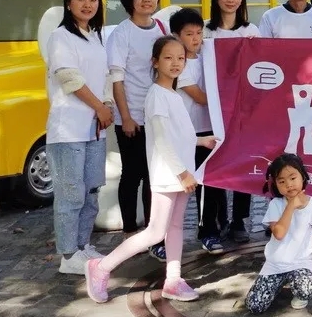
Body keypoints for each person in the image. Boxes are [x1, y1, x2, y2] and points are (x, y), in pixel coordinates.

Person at [85, 36, 216, 303]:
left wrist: (202, 141)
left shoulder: (172, 95)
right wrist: (182, 173)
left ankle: (173, 280)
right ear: (155, 62)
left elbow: (179, 134)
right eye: (168, 58)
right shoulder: (157, 95)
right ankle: (101, 267)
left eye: (180, 58)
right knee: (155, 231)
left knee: (176, 226)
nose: (175, 63)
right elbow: (162, 139)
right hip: (169, 174)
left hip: (181, 172)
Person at [45, 0, 112, 275]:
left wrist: (106, 105)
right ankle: (68, 254)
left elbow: (105, 77)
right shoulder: (60, 37)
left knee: (91, 191)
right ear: (69, 3)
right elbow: (69, 78)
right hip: (68, 129)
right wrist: (99, 107)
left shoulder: (95, 36)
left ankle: (83, 245)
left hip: (94, 129)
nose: (87, 4)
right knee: (71, 194)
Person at [107, 0, 167, 240]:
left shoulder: (162, 28)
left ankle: (153, 232)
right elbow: (117, 80)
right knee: (132, 175)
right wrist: (127, 117)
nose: (146, 0)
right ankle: (130, 231)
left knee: (155, 176)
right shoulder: (122, 34)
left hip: (157, 115)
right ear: (129, 0)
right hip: (132, 117)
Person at [204, 0, 261, 243]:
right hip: (211, 109)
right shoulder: (205, 31)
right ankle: (216, 220)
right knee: (215, 163)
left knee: (242, 164)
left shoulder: (251, 31)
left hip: (243, 111)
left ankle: (239, 220)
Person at [245, 154, 312, 313]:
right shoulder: (275, 204)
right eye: (282, 181)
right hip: (276, 263)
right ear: (276, 184)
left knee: (306, 290)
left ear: (303, 176)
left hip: (302, 263)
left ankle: (298, 292)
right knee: (254, 306)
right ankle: (277, 284)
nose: (289, 185)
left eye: (292, 178)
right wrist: (291, 206)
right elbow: (279, 234)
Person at [171, 8, 227, 255]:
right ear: (176, 35)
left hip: (211, 130)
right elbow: (203, 98)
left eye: (198, 33)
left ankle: (209, 232)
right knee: (181, 186)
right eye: (189, 34)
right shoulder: (178, 65)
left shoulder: (208, 56)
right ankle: (165, 237)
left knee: (210, 183)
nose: (195, 39)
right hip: (189, 133)